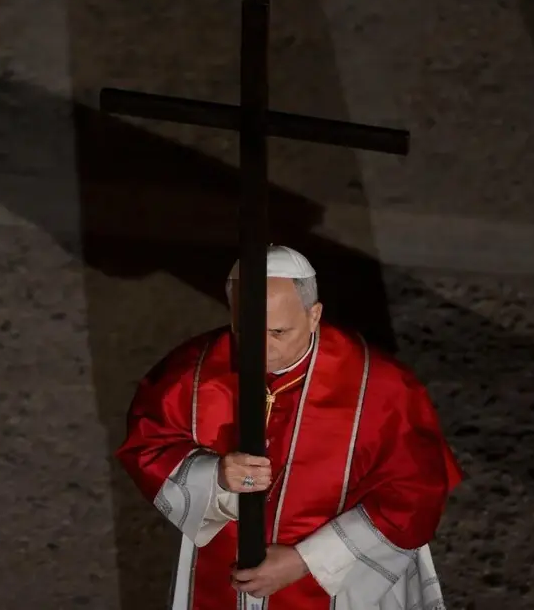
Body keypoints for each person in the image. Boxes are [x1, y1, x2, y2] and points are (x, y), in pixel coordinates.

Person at [116, 245, 462, 610]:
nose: (260, 349)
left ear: (314, 316)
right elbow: (149, 445)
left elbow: (414, 495)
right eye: (245, 330)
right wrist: (214, 475)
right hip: (219, 578)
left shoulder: (382, 388)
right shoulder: (193, 371)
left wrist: (305, 560)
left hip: (340, 584)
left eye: (278, 331)